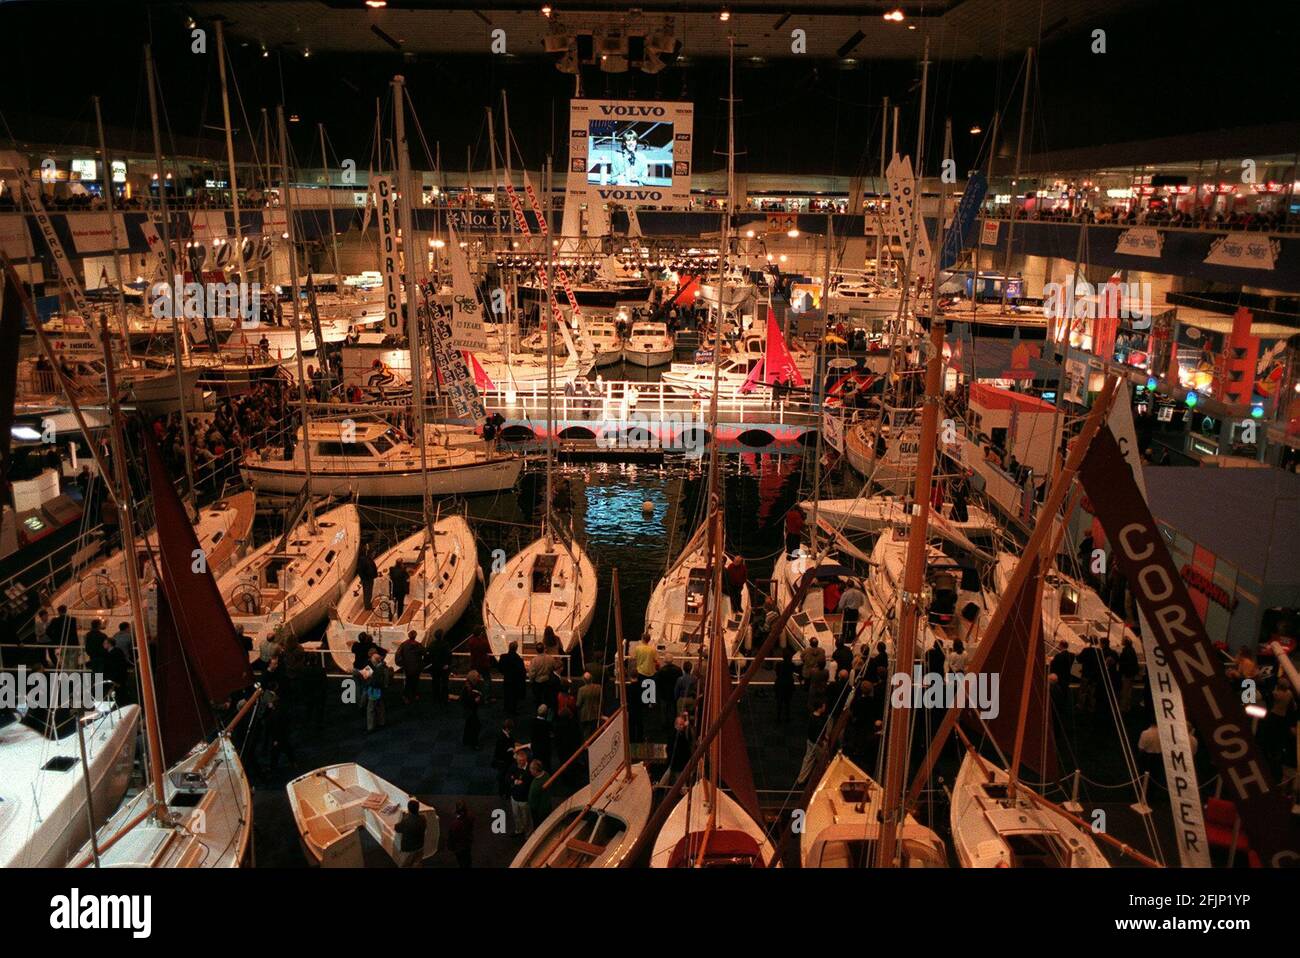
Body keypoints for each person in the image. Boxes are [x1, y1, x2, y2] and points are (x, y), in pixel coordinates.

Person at [661, 711, 695, 785]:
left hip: (681, 763)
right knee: (677, 782)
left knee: (679, 782)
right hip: (677, 764)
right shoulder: (674, 735)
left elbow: (689, 740)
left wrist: (687, 720)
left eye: (682, 725)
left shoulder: (681, 735)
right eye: (680, 725)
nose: (681, 726)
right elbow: (672, 748)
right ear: (675, 725)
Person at [394, 799, 427, 867]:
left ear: (408, 809)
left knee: (406, 865)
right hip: (420, 846)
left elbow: (397, 828)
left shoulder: (406, 822)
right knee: (417, 864)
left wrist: (403, 818)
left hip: (409, 849)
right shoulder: (423, 818)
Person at [499, 640, 527, 716]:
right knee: (514, 696)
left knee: (506, 694)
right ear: (516, 648)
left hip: (507, 679)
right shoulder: (519, 660)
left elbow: (500, 669)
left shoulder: (503, 657)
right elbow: (522, 672)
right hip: (515, 681)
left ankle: (506, 708)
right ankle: (513, 710)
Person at [363, 649, 389, 732]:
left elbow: (366, 677)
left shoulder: (370, 666)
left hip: (373, 689)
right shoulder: (383, 666)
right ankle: (382, 722)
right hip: (380, 688)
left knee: (371, 708)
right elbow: (386, 678)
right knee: (380, 706)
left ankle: (370, 727)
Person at [395, 630, 424, 704]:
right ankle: (413, 695)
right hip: (416, 667)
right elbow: (424, 652)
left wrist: (401, 664)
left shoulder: (404, 644)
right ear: (415, 636)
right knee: (415, 682)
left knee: (408, 682)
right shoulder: (418, 645)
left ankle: (406, 696)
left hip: (407, 667)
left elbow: (398, 654)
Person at [492, 719, 517, 802]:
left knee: (504, 777)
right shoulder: (501, 737)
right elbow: (500, 752)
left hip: (506, 760)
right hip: (503, 761)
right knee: (503, 777)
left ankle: (504, 792)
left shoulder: (505, 735)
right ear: (506, 728)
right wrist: (510, 749)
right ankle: (503, 793)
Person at [425, 629, 452, 705]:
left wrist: (431, 662)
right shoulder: (445, 644)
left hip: (435, 667)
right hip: (444, 667)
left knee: (435, 683)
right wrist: (448, 664)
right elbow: (449, 655)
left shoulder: (432, 645)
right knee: (444, 684)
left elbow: (428, 655)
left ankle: (435, 698)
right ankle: (444, 699)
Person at [508, 750, 532, 836]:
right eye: (519, 761)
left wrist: (521, 783)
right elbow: (508, 777)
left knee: (526, 818)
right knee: (516, 815)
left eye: (522, 761)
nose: (520, 763)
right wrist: (514, 781)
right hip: (514, 797)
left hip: (524, 800)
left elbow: (529, 784)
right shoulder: (514, 766)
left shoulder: (530, 769)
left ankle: (528, 833)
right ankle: (519, 830)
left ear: (526, 759)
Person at [447, 800, 474, 868]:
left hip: (459, 847)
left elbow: (451, 837)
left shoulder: (455, 824)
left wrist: (450, 846)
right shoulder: (470, 818)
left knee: (462, 862)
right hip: (467, 844)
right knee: (467, 861)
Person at [527, 759, 551, 833]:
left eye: (531, 768)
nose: (529, 770)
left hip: (539, 810)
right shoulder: (546, 775)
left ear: (535, 771)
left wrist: (531, 806)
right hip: (547, 805)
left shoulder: (536, 784)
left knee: (538, 825)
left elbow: (533, 799)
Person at [839, 581, 866, 646]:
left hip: (848, 612)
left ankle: (845, 642)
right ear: (853, 585)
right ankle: (852, 641)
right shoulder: (859, 593)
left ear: (847, 586)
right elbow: (862, 603)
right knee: (853, 627)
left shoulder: (846, 594)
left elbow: (841, 605)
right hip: (855, 612)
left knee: (846, 628)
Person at [461, 670, 484, 748]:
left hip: (469, 710)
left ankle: (466, 740)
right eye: (477, 676)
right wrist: (475, 700)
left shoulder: (469, 686)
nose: (479, 678)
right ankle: (474, 743)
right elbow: (465, 700)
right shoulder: (468, 688)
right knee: (476, 726)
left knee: (469, 725)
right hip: (470, 710)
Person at [1118, 636, 1140, 712]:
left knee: (1125, 691)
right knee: (1128, 691)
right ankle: (1127, 707)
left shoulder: (1126, 651)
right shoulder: (1131, 650)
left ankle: (1123, 707)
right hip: (1131, 674)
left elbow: (1125, 663)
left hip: (1127, 674)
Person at [576, 671, 602, 736]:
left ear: (584, 680)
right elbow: (601, 700)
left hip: (585, 715)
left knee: (586, 733)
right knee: (595, 733)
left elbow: (578, 704)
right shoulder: (598, 687)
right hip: (596, 713)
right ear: (592, 679)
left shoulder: (581, 690)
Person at [774, 648, 796, 722]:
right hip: (789, 683)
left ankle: (778, 717)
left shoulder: (779, 664)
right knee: (788, 702)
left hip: (780, 683)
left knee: (779, 702)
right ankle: (787, 717)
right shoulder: (792, 665)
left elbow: (777, 673)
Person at [530, 704, 553, 769]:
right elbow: (550, 735)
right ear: (546, 713)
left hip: (535, 747)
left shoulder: (532, 722)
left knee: (536, 765)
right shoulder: (547, 724)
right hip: (545, 749)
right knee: (546, 765)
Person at [357, 545, 379, 611]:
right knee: (367, 592)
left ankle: (368, 605)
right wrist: (363, 578)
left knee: (368, 592)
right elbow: (360, 570)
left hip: (369, 578)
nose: (374, 555)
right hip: (367, 579)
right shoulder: (365, 560)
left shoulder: (368, 559)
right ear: (371, 553)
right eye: (373, 553)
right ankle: (367, 606)